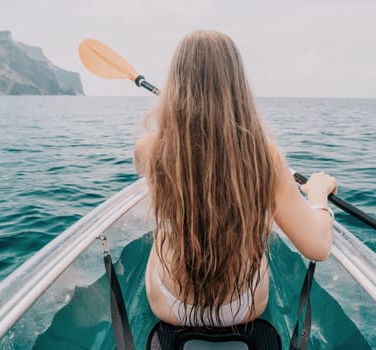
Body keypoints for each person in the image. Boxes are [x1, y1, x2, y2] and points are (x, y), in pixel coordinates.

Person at [134, 30, 337, 328]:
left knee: (164, 229)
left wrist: (175, 117)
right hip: (242, 307)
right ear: (238, 85)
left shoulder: (149, 149)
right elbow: (317, 247)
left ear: (175, 84)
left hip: (169, 305)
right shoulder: (265, 156)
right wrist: (318, 195)